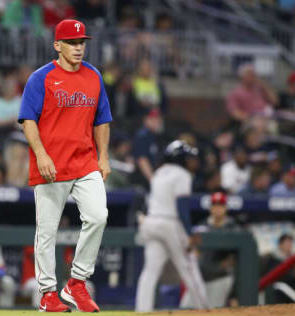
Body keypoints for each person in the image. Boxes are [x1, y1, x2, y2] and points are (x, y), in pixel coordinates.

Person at [17, 19, 112, 313]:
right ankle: (47, 293)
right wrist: (41, 155)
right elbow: (27, 120)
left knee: (98, 216)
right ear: (57, 45)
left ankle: (77, 282)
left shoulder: (94, 76)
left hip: (84, 161)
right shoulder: (41, 77)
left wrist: (103, 156)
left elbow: (102, 119)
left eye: (82, 42)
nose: (78, 47)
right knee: (47, 231)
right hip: (51, 164)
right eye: (72, 42)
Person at [135, 140, 209, 312]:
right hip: (169, 222)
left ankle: (141, 310)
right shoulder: (182, 174)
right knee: (188, 266)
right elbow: (182, 206)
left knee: (150, 272)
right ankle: (203, 308)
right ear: (181, 158)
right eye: (188, 157)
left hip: (151, 222)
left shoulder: (159, 172)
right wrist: (189, 233)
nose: (192, 161)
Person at [183, 191, 239, 308]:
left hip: (220, 279)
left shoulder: (232, 227)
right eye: (215, 205)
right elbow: (190, 248)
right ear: (211, 208)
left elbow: (237, 260)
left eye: (221, 205)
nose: (218, 208)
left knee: (212, 311)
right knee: (185, 307)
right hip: (200, 279)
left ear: (225, 208)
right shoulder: (203, 225)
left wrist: (234, 295)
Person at [226, 63, 277, 128]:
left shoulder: (259, 89)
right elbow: (234, 113)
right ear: (242, 77)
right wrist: (251, 119)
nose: (253, 77)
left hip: (267, 118)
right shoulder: (235, 93)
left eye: (254, 75)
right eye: (250, 75)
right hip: (250, 123)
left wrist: (264, 85)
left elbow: (275, 101)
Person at [131, 109, 164, 190]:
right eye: (154, 119)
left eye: (158, 120)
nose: (157, 122)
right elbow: (142, 160)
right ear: (146, 120)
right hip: (142, 182)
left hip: (151, 179)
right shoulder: (142, 136)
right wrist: (153, 181)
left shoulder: (155, 136)